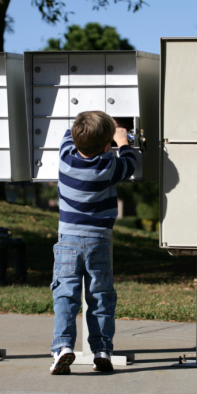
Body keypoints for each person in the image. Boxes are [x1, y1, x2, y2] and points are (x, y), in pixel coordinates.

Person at [49, 110, 137, 375]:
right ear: (106, 145)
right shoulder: (109, 167)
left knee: (65, 295)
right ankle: (101, 349)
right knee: (100, 297)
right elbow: (130, 162)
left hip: (68, 241)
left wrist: (91, 126)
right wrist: (123, 139)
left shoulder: (65, 159)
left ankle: (63, 348)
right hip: (99, 240)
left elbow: (68, 134)